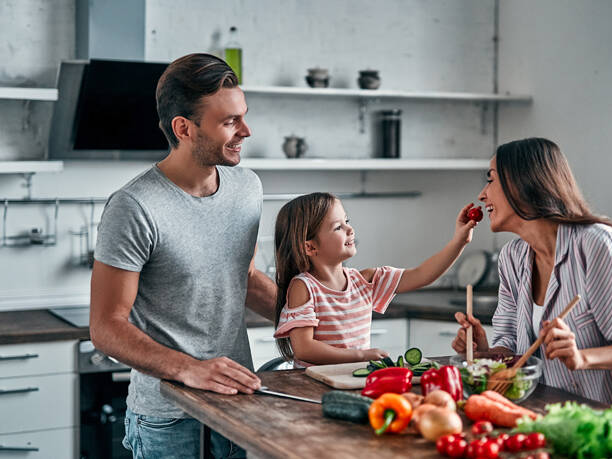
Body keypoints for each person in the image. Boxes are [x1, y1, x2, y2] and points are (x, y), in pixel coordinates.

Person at [90, 53, 277, 458]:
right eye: (230, 121)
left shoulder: (247, 188)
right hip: (167, 418)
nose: (246, 130)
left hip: (235, 403)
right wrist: (189, 368)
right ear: (183, 128)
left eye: (243, 116)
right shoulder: (134, 206)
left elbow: (242, 277)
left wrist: (318, 319)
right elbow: (106, 327)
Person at [451, 137, 612, 429]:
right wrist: (486, 353)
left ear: (522, 183)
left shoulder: (596, 245)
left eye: (491, 180)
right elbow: (514, 352)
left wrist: (581, 358)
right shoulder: (513, 258)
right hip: (571, 425)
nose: (482, 195)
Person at [272, 192, 477, 366]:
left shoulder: (365, 281)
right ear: (310, 247)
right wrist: (361, 356)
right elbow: (304, 349)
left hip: (353, 380)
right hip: (312, 384)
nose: (350, 229)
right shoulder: (303, 286)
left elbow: (422, 275)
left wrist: (459, 241)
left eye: (347, 221)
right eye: (338, 227)